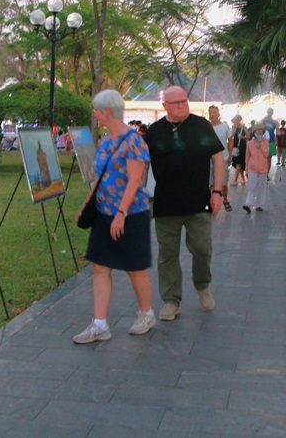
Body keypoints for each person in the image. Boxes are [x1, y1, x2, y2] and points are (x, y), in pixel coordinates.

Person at [73, 89, 155, 344]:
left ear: (107, 111)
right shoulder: (105, 141)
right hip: (103, 211)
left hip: (131, 213)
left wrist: (121, 213)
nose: (95, 115)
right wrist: (87, 203)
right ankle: (100, 325)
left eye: (96, 110)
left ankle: (146, 314)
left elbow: (135, 180)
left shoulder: (134, 141)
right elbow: (99, 176)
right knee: (100, 266)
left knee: (134, 267)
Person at [144, 85, 225, 321]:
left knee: (202, 249)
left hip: (198, 201)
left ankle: (202, 285)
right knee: (167, 255)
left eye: (184, 101)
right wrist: (140, 192)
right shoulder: (155, 131)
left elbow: (218, 159)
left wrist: (217, 191)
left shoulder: (201, 125)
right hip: (166, 204)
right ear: (165, 106)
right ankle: (171, 301)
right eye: (176, 103)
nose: (182, 106)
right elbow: (142, 163)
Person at [207, 105, 232, 212]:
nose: (212, 114)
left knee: (224, 183)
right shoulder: (207, 127)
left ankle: (225, 199)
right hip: (209, 159)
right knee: (210, 183)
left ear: (218, 114)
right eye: (210, 112)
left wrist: (230, 155)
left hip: (223, 158)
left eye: (214, 112)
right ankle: (211, 202)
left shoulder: (225, 126)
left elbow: (230, 140)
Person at [243, 121, 270, 213]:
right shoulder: (250, 143)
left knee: (262, 187)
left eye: (261, 131)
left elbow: (266, 154)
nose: (259, 132)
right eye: (257, 131)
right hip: (252, 168)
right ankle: (248, 204)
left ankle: (260, 205)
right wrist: (247, 169)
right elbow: (247, 157)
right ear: (254, 132)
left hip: (263, 168)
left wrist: (261, 144)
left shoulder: (265, 142)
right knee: (251, 187)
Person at [228, 114, 247, 186]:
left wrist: (243, 137)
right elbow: (232, 135)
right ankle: (243, 179)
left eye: (236, 119)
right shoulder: (234, 127)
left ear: (239, 120)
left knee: (238, 163)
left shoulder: (244, 127)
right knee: (239, 163)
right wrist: (235, 128)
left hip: (242, 147)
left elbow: (248, 136)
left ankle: (235, 180)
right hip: (235, 146)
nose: (235, 121)